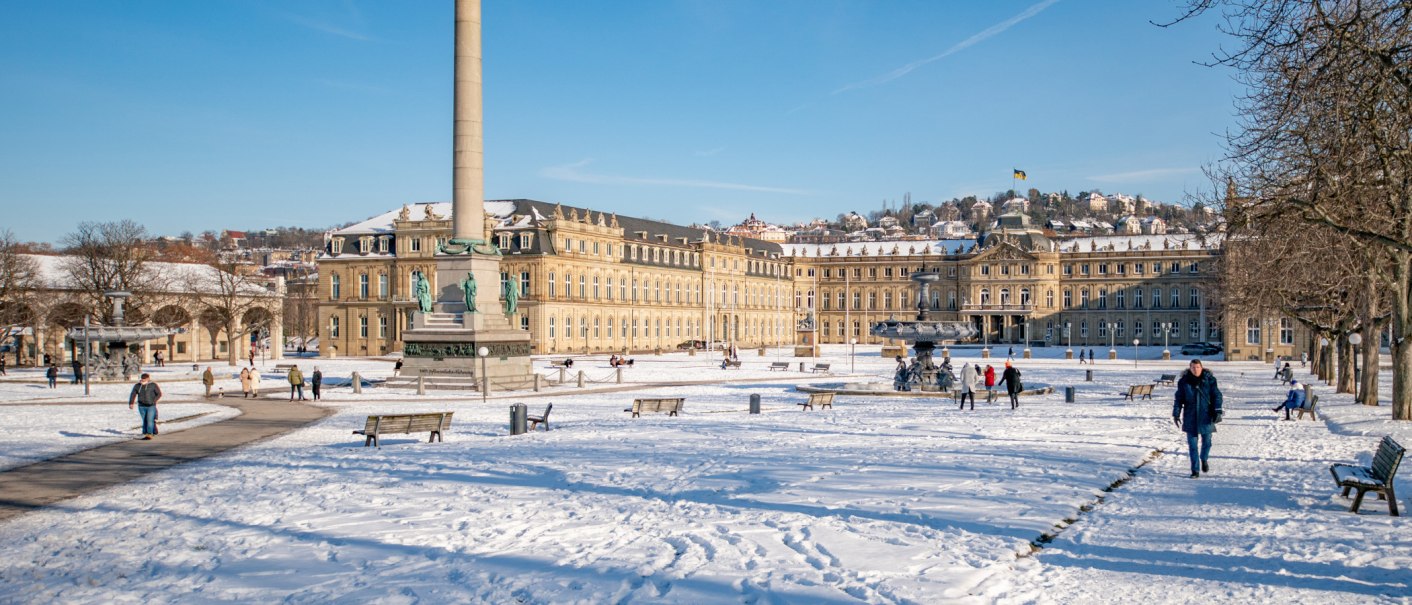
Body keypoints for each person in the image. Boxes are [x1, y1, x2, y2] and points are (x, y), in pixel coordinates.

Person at [1173, 359, 1223, 478]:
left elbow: (1217, 395)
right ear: (1189, 368)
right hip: (1190, 416)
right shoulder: (1184, 382)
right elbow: (1178, 399)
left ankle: (1204, 459)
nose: (1195, 370)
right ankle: (1195, 470)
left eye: (1197, 367)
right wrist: (1176, 413)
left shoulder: (1210, 380)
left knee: (1207, 442)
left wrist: (1217, 410)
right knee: (1192, 445)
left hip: (1206, 415)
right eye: (1193, 367)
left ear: (1202, 367)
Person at [128, 373, 163, 440]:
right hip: (141, 406)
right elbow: (133, 394)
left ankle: (149, 434)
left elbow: (159, 394)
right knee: (145, 420)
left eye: (145, 378)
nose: (143, 379)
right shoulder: (137, 386)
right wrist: (131, 403)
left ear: (148, 378)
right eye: (142, 378)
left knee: (149, 420)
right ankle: (151, 431)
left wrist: (154, 401)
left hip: (151, 406)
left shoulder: (153, 385)